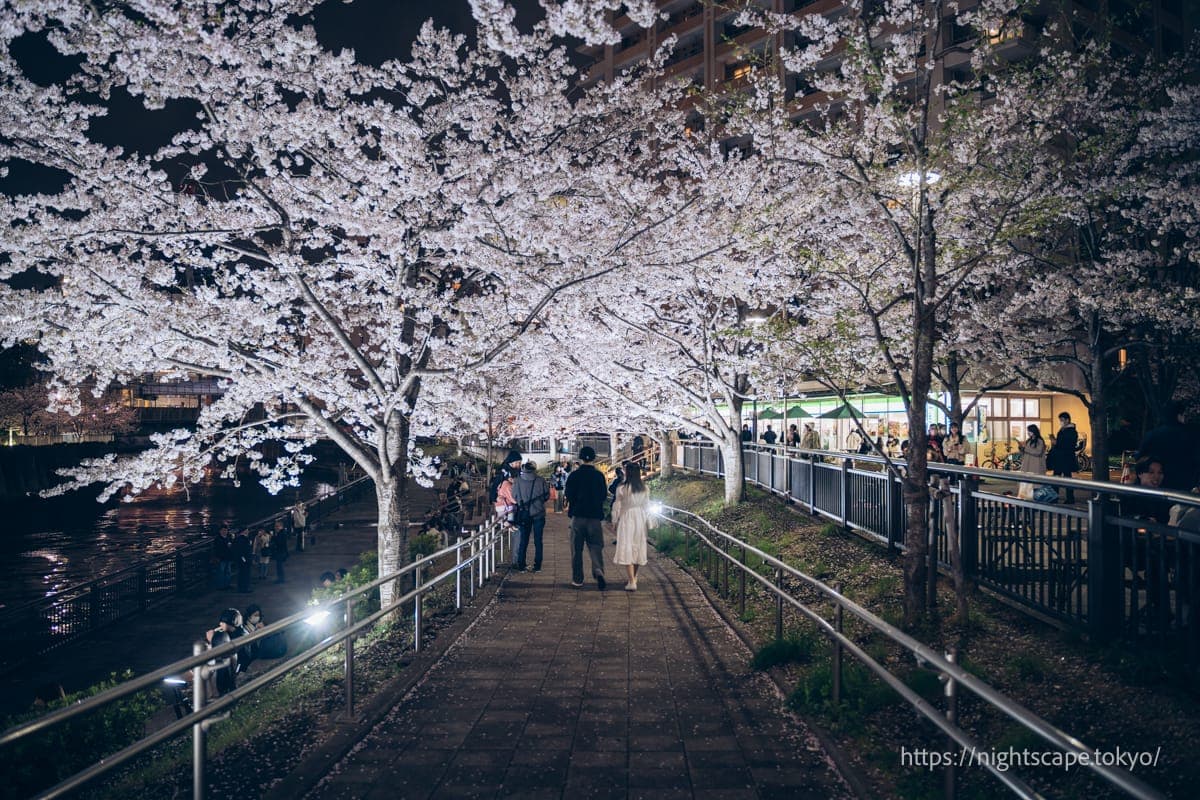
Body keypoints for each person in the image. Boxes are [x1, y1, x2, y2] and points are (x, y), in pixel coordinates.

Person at [564, 445, 608, 590]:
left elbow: (568, 494)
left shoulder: (574, 475)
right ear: (594, 458)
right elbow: (603, 495)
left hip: (578, 516)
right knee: (596, 547)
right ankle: (598, 570)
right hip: (594, 517)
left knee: (576, 549)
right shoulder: (599, 476)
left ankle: (577, 579)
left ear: (581, 458)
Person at [1137, 402, 1199, 492]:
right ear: (1179, 415)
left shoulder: (1153, 435)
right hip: (1185, 484)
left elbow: (1141, 459)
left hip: (1158, 482)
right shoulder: (1191, 435)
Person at [611, 462, 651, 591]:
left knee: (626, 545)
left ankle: (632, 581)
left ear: (627, 472)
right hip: (640, 517)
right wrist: (648, 520)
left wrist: (614, 520)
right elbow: (647, 506)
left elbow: (617, 505)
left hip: (627, 517)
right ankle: (633, 578)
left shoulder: (622, 488)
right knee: (637, 546)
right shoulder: (644, 488)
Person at [513, 461, 550, 572]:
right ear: (534, 469)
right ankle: (537, 565)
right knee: (538, 540)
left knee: (523, 539)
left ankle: (521, 565)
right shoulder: (541, 480)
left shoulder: (518, 481)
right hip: (538, 514)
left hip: (524, 514)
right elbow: (546, 495)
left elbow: (514, 495)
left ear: (524, 468)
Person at [1047, 412, 1079, 502]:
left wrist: (1055, 441)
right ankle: (1058, 497)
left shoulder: (1071, 431)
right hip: (1061, 458)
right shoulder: (1064, 430)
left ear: (1067, 420)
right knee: (1060, 477)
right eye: (1060, 420)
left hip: (1065, 458)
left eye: (1062, 420)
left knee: (1064, 478)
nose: (1060, 422)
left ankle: (1068, 498)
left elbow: (1066, 444)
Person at [1017, 424, 1047, 500]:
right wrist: (1021, 448)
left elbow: (1038, 452)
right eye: (1028, 431)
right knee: (1028, 483)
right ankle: (1028, 498)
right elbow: (1025, 452)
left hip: (1036, 465)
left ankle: (1037, 499)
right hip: (1027, 464)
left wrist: (1025, 448)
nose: (1028, 433)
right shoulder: (1029, 441)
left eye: (1029, 431)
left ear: (1034, 431)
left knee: (1036, 484)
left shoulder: (1040, 441)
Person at [232, 528, 254, 593]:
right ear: (243, 531)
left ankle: (241, 587)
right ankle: (244, 588)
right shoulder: (243, 539)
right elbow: (242, 551)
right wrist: (244, 559)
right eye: (246, 531)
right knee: (245, 574)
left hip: (241, 559)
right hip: (244, 559)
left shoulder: (238, 539)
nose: (248, 532)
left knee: (241, 573)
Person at [212, 523, 233, 589]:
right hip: (221, 558)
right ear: (220, 531)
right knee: (221, 572)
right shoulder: (218, 539)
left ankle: (227, 584)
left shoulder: (228, 538)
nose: (225, 532)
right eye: (223, 530)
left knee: (228, 572)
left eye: (226, 530)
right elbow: (217, 549)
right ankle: (221, 586)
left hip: (228, 557)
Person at [270, 519, 289, 584]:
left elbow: (279, 542)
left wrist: (273, 537)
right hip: (281, 552)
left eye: (277, 526)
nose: (276, 528)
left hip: (280, 552)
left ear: (281, 526)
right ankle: (280, 579)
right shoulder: (282, 533)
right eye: (275, 526)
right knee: (279, 566)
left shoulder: (281, 533)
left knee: (279, 567)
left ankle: (281, 579)